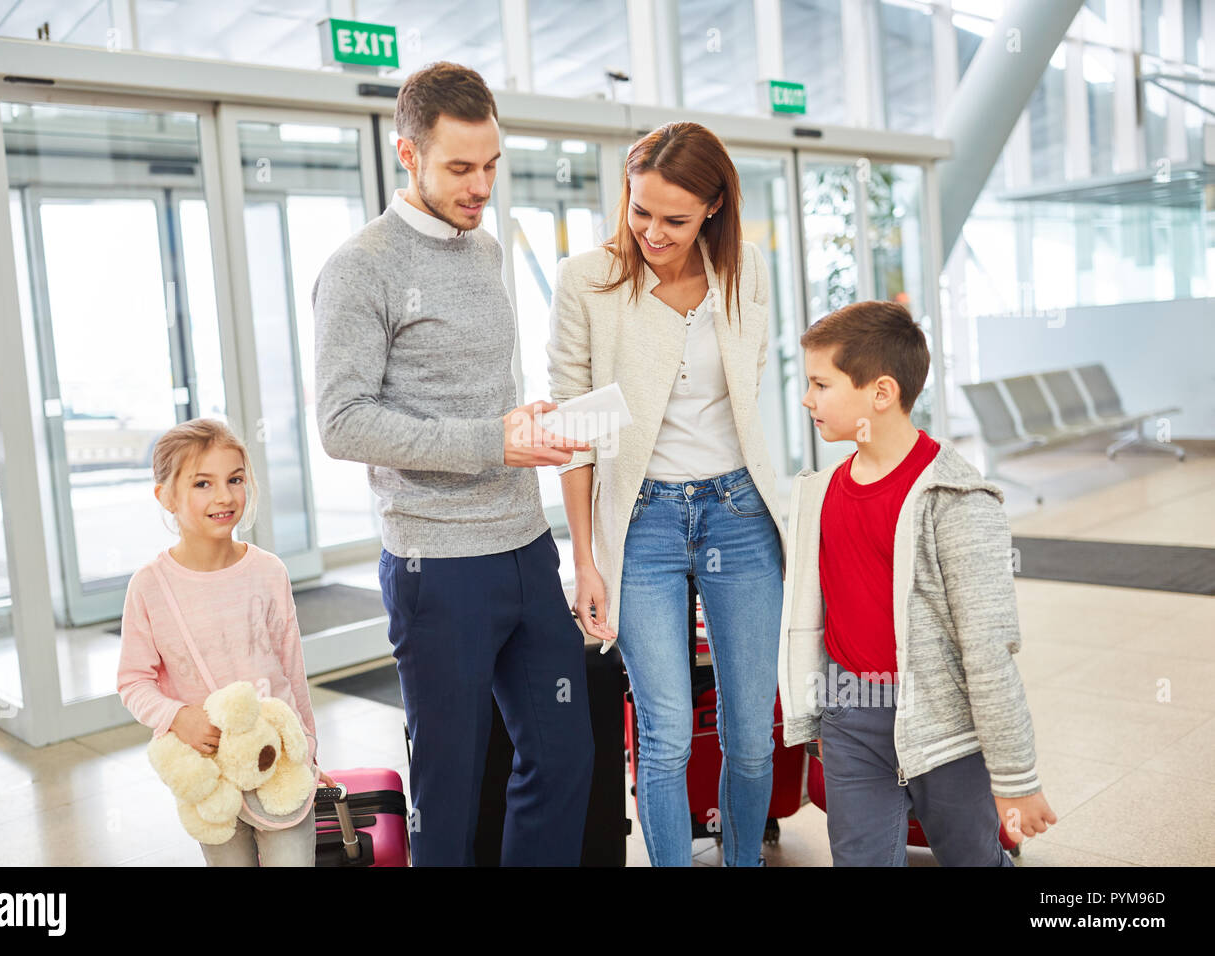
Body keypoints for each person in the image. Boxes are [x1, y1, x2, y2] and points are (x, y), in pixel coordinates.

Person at [313, 62, 595, 866]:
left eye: (492, 165)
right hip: (438, 564)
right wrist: (490, 440)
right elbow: (342, 423)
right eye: (460, 168)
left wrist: (525, 422)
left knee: (566, 755)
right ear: (408, 155)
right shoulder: (361, 266)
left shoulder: (486, 250)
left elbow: (480, 398)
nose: (481, 186)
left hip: (523, 545)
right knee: (450, 784)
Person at [547, 122, 786, 867]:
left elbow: (747, 399)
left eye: (675, 219)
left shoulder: (747, 273)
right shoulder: (587, 280)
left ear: (715, 207)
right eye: (639, 209)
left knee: (749, 731)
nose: (652, 230)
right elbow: (573, 430)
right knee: (666, 732)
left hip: (739, 512)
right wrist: (584, 558)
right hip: (642, 519)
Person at [778, 300, 1058, 866]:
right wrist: (820, 711)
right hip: (851, 714)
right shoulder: (820, 493)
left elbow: (988, 647)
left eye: (820, 384)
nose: (807, 399)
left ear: (880, 394)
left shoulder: (957, 500)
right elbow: (816, 617)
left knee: (970, 856)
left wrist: (1016, 777)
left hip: (941, 718)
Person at [117, 418, 336, 866]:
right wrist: (178, 717)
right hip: (209, 774)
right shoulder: (150, 587)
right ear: (166, 496)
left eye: (235, 479)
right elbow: (133, 681)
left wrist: (308, 750)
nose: (224, 496)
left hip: (278, 766)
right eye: (202, 483)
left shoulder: (268, 571)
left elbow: (292, 669)